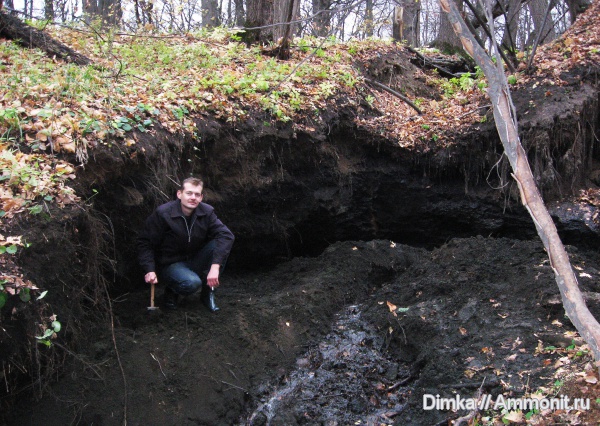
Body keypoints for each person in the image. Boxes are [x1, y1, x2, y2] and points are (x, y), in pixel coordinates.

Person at [137, 177, 234, 312]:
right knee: (191, 283)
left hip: (194, 259)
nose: (193, 197)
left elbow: (226, 235)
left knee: (219, 244)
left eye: (197, 194)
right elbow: (145, 242)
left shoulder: (206, 212)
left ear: (201, 197)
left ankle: (208, 293)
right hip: (170, 263)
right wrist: (149, 269)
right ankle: (172, 289)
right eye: (189, 193)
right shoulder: (163, 214)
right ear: (179, 194)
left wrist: (215, 267)